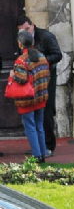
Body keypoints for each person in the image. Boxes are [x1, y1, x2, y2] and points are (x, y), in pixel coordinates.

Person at [16, 15, 62, 157]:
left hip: (46, 79)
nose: (25, 32)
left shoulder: (46, 36)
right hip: (32, 81)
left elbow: (57, 55)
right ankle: (39, 147)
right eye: (22, 30)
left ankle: (48, 146)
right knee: (35, 114)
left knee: (46, 112)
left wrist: (40, 64)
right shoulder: (22, 40)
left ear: (32, 25)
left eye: (27, 28)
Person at [11, 30, 50, 163]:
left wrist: (12, 75)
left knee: (30, 126)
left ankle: (36, 155)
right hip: (41, 96)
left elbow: (21, 79)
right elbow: (47, 75)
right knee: (39, 125)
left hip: (27, 99)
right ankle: (43, 153)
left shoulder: (21, 60)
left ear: (20, 44)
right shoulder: (42, 57)